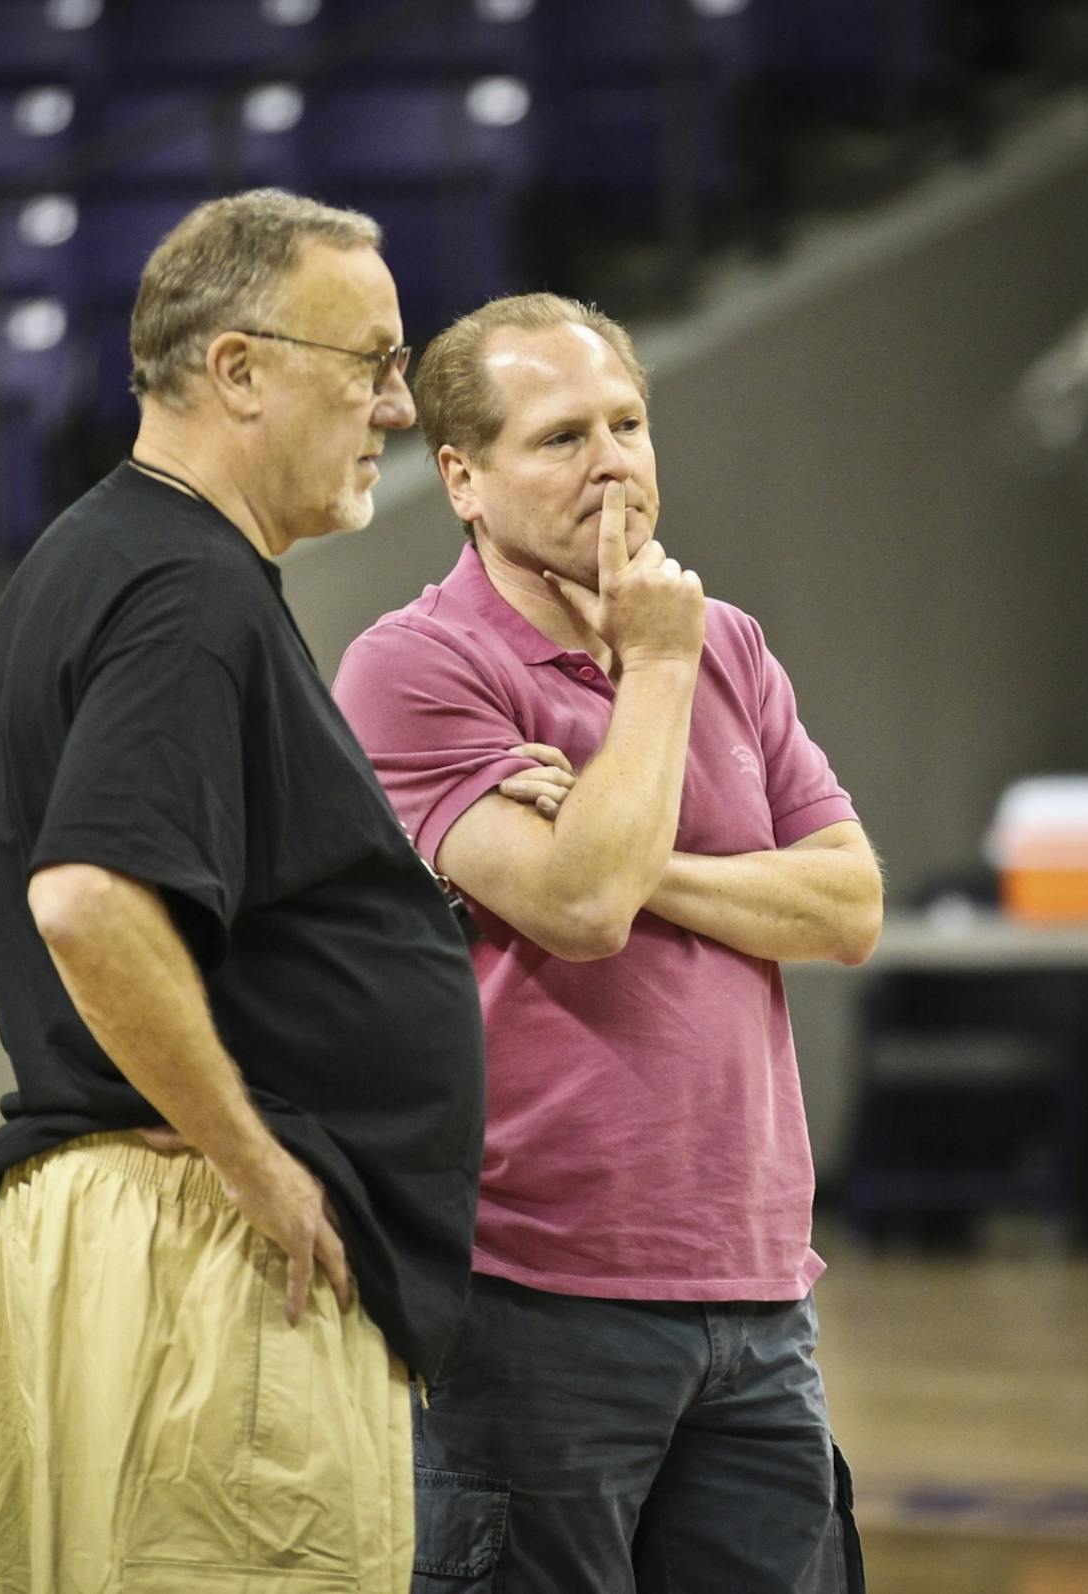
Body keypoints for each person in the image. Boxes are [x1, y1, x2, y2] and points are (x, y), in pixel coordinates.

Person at [0, 190, 485, 1594]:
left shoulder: (92, 564)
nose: (390, 406)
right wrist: (256, 1159)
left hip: (116, 1250)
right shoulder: (188, 593)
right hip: (210, 1264)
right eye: (369, 362)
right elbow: (86, 895)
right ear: (237, 369)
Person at [333, 292, 884, 1593]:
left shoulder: (722, 644)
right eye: (562, 435)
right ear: (461, 475)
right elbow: (575, 914)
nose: (614, 461)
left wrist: (628, 843)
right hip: (536, 1295)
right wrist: (651, 672)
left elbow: (848, 904)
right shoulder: (415, 668)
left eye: (629, 422)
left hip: (757, 1291)